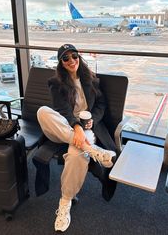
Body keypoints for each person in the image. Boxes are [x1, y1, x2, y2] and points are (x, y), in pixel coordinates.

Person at [37, 44, 117, 232]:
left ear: (79, 57)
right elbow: (61, 110)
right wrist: (76, 127)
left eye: (74, 56)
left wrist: (92, 121)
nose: (71, 61)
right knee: (43, 112)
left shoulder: (92, 80)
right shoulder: (55, 82)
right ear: (61, 63)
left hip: (85, 128)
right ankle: (93, 150)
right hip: (62, 127)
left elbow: (101, 105)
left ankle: (65, 202)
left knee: (76, 155)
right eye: (66, 58)